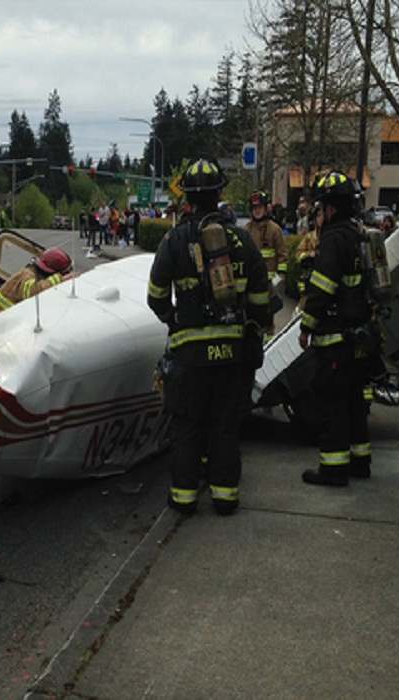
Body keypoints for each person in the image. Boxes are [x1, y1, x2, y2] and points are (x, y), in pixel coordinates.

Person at [147, 158, 272, 516]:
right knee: (225, 426)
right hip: (233, 355)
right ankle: (225, 497)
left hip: (189, 358)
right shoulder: (242, 240)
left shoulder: (173, 240)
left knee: (187, 426)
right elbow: (261, 301)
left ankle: (184, 498)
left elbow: (155, 297)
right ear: (219, 194)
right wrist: (253, 325)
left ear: (186, 196)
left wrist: (176, 322)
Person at [298, 171, 374, 486]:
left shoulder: (333, 238)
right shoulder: (359, 235)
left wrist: (306, 325)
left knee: (332, 402)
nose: (320, 213)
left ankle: (333, 468)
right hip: (361, 335)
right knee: (356, 400)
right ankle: (360, 461)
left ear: (330, 208)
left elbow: (322, 287)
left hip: (335, 337)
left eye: (321, 207)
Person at [0, 247, 78, 320]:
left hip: (2, 322)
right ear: (50, 272)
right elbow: (32, 293)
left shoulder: (37, 276)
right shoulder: (27, 275)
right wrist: (59, 279)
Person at [245, 191, 289, 289]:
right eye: (254, 208)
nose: (257, 211)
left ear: (266, 209)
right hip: (252, 282)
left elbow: (283, 255)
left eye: (260, 207)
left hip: (270, 284)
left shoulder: (275, 230)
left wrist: (278, 278)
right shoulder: (246, 230)